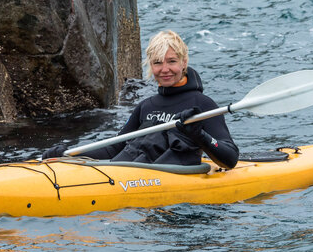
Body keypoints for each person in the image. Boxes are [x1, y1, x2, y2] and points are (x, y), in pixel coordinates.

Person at [43, 30, 239, 169]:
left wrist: (200, 136)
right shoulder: (146, 106)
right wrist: (70, 154)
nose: (164, 69)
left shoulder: (203, 105)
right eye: (157, 63)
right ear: (150, 66)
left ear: (184, 63)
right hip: (134, 175)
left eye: (172, 62)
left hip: (177, 181)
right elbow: (115, 148)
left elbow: (230, 158)